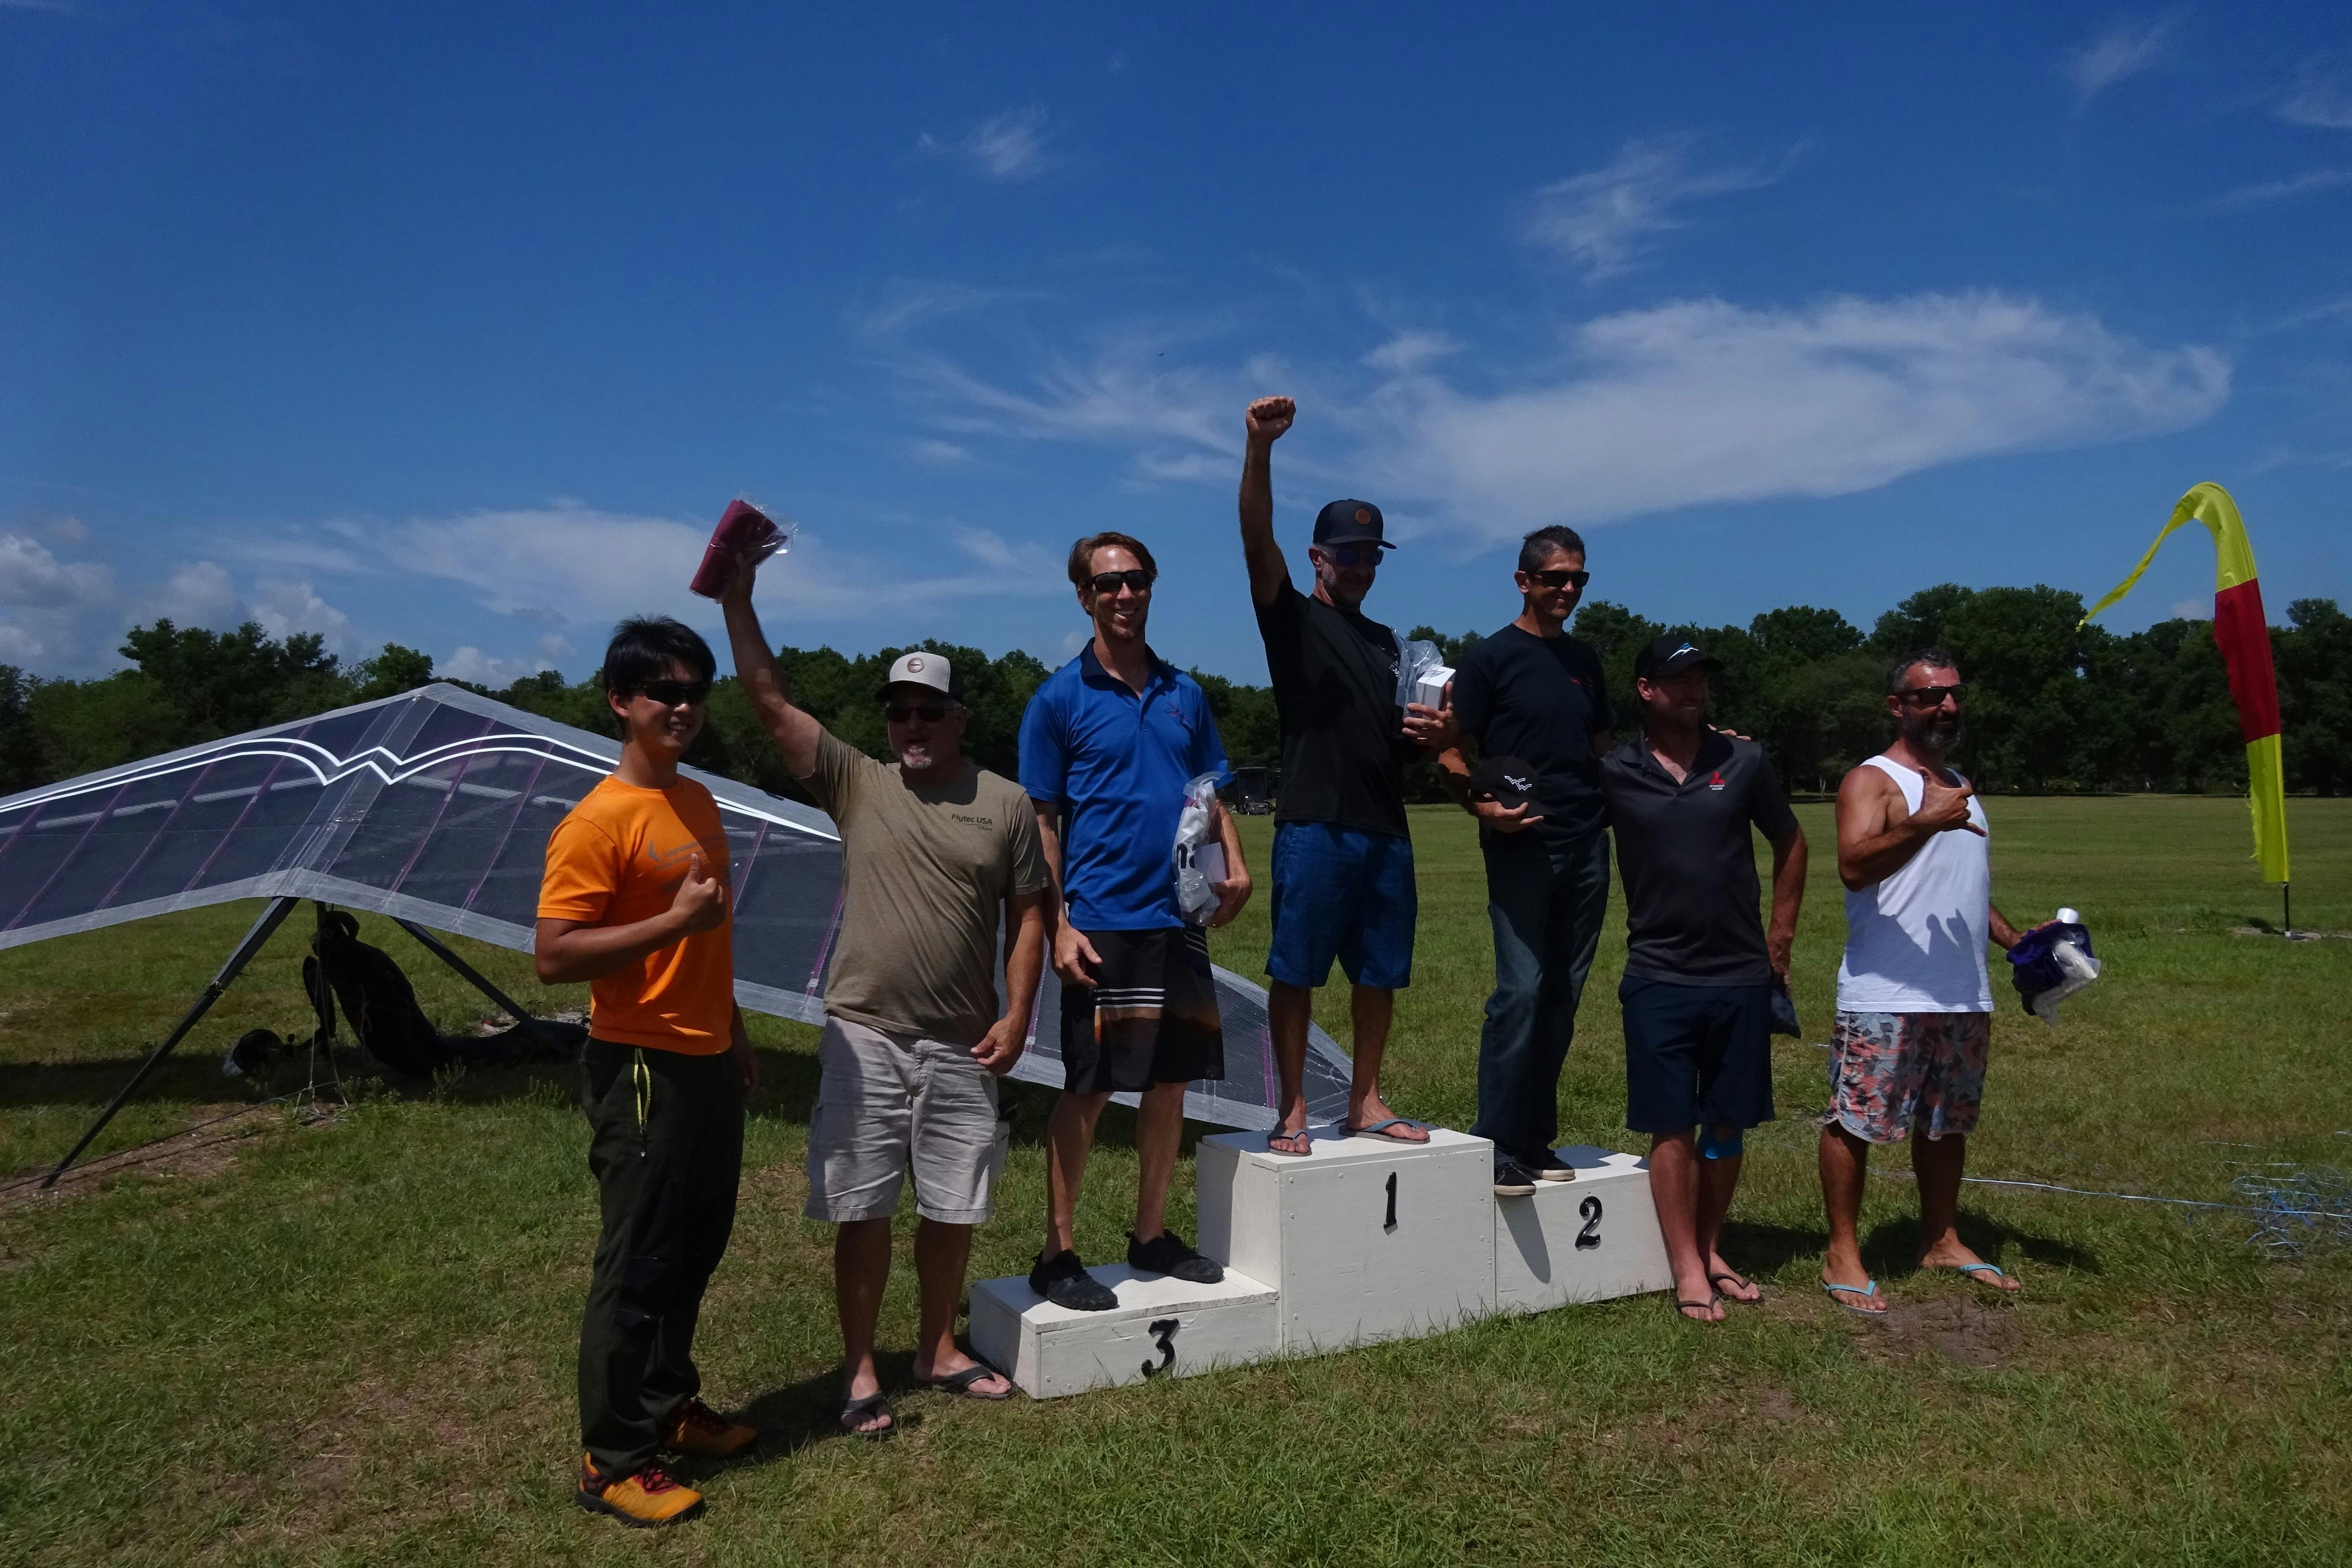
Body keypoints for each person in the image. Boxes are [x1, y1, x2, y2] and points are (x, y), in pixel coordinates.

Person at [716, 553, 1046, 1435]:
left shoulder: (1006, 804)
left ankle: (937, 1348)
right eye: (899, 711)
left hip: (965, 1039)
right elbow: (770, 703)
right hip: (865, 1033)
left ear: (958, 716)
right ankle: (861, 1367)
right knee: (862, 1207)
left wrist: (1019, 1013)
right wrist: (739, 601)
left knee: (952, 1205)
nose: (912, 724)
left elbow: (1029, 917)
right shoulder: (856, 781)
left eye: (928, 710)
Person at [537, 617, 762, 1530]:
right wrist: (671, 924)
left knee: (696, 1242)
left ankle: (668, 1403)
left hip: (706, 1054)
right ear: (620, 701)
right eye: (664, 692)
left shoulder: (697, 799)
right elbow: (554, 955)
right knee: (637, 1260)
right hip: (640, 1061)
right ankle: (613, 1458)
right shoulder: (596, 822)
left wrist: (733, 1029)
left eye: (696, 691)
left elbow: (711, 937)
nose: (683, 706)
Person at [1018, 531, 1252, 1311]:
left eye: (1136, 580)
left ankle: (1150, 1235)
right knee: (1089, 1088)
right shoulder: (1059, 699)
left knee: (1170, 1080)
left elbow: (1207, 790)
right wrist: (1060, 923)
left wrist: (1236, 860)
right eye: (1108, 582)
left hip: (1176, 917)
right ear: (1084, 595)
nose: (1124, 594)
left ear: (1151, 587)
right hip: (1102, 920)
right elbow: (1042, 822)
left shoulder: (1186, 693)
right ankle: (1057, 1253)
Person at [1235, 394, 1430, 1155]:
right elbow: (1256, 537)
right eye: (1347, 554)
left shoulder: (1392, 646)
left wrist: (1436, 732)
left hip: (1387, 829)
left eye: (1370, 556)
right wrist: (1260, 449)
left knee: (1379, 975)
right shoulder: (1291, 618)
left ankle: (1365, 1100)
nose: (1360, 567)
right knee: (1298, 971)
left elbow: (1406, 738)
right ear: (1317, 557)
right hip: (1315, 823)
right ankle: (1291, 1109)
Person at [1600, 637, 1807, 1323]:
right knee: (1671, 1124)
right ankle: (1686, 1265)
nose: (1695, 690)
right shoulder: (1616, 770)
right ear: (1646, 689)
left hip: (1740, 973)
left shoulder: (1743, 759)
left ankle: (1712, 1247)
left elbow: (1791, 839)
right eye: (1679, 680)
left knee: (1726, 1120)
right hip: (1657, 972)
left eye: (1701, 680)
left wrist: (1780, 936)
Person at [1820, 648, 2030, 1317]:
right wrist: (1921, 821)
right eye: (1930, 696)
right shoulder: (1872, 780)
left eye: (1954, 695)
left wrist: (2016, 940)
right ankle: (1843, 1253)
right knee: (1855, 1122)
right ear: (1897, 706)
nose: (1947, 706)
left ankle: (1941, 1239)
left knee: (1946, 1124)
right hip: (1886, 992)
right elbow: (1854, 867)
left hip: (1961, 991)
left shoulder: (1958, 784)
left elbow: (1962, 885)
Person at [1420, 526, 1615, 1196]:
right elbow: (1450, 748)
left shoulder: (1585, 660)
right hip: (1522, 845)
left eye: (1578, 579)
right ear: (1524, 581)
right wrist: (1481, 807)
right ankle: (1497, 1144)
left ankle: (1534, 1138)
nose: (1568, 589)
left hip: (1588, 843)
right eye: (1555, 577)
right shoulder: (1490, 659)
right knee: (1522, 991)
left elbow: (1606, 751)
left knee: (1562, 996)